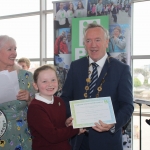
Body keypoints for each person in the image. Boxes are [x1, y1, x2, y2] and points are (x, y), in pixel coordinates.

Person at [61, 23, 134, 150]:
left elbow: (127, 105)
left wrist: (113, 123)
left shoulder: (121, 69)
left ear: (107, 42)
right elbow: (66, 97)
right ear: (84, 44)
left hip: (108, 143)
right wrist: (69, 117)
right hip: (79, 141)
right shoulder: (75, 66)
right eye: (88, 40)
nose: (93, 45)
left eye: (97, 40)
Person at [27, 64, 85, 150]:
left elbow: (57, 127)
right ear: (35, 86)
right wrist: (76, 129)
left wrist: (66, 124)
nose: (50, 84)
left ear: (58, 81)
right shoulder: (35, 108)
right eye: (44, 81)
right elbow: (53, 136)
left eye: (53, 80)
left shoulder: (59, 101)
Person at [0, 35, 35, 149]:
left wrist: (29, 98)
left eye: (15, 49)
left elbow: (37, 109)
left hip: (22, 135)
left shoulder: (26, 76)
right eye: (9, 49)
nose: (14, 53)